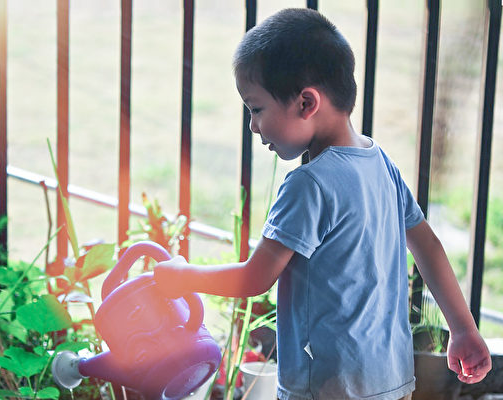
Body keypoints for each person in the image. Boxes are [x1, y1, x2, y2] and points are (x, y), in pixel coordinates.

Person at [153, 7, 492, 400]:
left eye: (256, 108)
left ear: (305, 103)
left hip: (329, 388)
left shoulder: (308, 185)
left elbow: (254, 278)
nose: (253, 126)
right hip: (391, 382)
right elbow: (428, 246)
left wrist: (182, 276)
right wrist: (463, 328)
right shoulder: (380, 163)